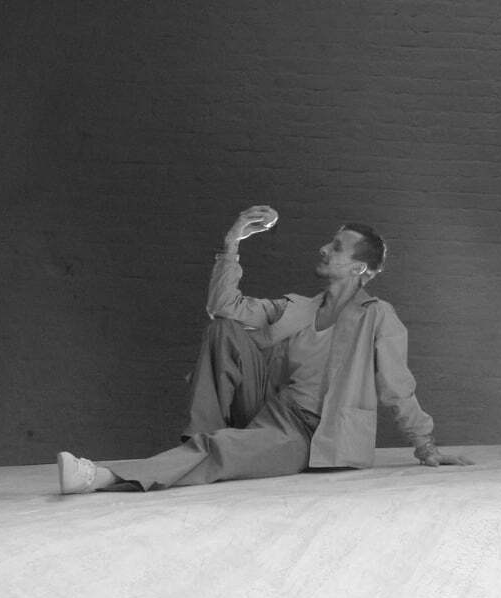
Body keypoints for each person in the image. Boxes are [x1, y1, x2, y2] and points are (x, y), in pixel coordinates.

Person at [56, 206, 472, 493]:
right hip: (269, 408)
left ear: (358, 267)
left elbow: (397, 386)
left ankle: (104, 477)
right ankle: (198, 444)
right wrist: (232, 241)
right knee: (224, 330)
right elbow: (223, 307)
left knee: (225, 450)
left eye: (336, 247)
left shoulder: (377, 316)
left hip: (311, 433)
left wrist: (425, 445)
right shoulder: (298, 307)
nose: (324, 248)